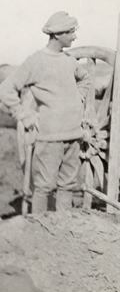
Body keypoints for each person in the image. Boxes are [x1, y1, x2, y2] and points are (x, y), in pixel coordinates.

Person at [0, 11, 90, 214]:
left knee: (67, 186)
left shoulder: (69, 61)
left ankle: (63, 228)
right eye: (70, 32)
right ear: (57, 34)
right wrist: (24, 114)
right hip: (50, 138)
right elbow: (6, 89)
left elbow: (85, 79)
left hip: (73, 136)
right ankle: (41, 233)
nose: (74, 37)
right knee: (44, 187)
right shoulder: (36, 61)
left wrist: (78, 98)